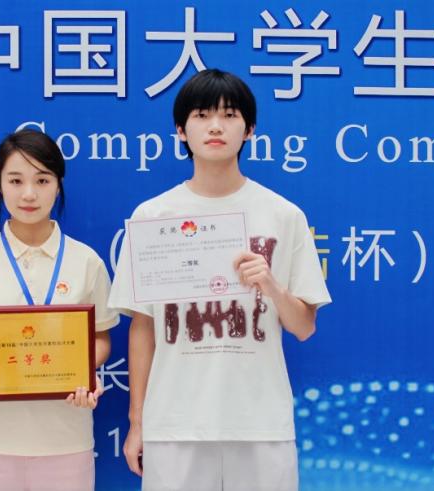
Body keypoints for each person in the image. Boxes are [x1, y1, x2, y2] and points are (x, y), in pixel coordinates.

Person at [109, 69, 331, 491]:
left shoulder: (283, 215)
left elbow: (304, 326)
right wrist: (138, 422)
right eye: (201, 115)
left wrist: (271, 286)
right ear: (181, 130)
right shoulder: (154, 216)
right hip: (175, 422)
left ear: (249, 130)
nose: (215, 126)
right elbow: (143, 327)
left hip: (260, 422)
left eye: (229, 115)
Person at [0, 129, 119, 491]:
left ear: (58, 185)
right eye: (16, 180)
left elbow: (100, 338)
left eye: (42, 180)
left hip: (65, 440)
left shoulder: (87, 261)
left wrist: (84, 369)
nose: (29, 194)